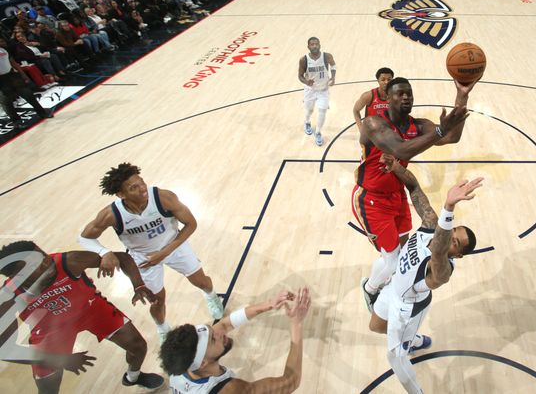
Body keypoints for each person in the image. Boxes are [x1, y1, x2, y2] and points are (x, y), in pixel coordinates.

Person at [356, 77, 475, 313]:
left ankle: (385, 281)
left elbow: (452, 137)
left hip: (398, 192)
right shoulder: (372, 123)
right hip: (372, 199)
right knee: (392, 260)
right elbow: (399, 148)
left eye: (409, 93)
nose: (406, 97)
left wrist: (462, 97)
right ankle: (370, 289)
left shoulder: (417, 126)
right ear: (387, 98)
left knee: (401, 250)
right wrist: (440, 130)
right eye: (400, 94)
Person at [368, 157, 481, 393]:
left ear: (458, 255)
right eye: (453, 233)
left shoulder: (441, 270)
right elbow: (415, 189)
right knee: (375, 326)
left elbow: (438, 250)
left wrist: (449, 208)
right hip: (394, 287)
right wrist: (397, 167)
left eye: (456, 242)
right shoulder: (431, 224)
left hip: (407, 309)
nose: (450, 237)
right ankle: (415, 340)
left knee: (395, 358)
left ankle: (417, 390)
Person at [78, 163, 224, 343]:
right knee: (156, 301)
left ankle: (211, 296)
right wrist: (104, 252)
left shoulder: (163, 198)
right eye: (134, 188)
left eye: (141, 182)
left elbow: (191, 224)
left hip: (174, 246)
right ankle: (163, 328)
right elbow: (84, 238)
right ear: (121, 195)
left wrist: (164, 253)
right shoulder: (111, 214)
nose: (142, 189)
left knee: (201, 282)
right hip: (143, 259)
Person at [0, 240, 163, 392]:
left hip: (90, 309)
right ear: (17, 276)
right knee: (48, 388)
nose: (46, 262)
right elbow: (5, 350)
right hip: (51, 330)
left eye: (42, 255)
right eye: (35, 264)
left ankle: (132, 377)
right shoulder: (7, 296)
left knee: (138, 345)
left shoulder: (70, 261)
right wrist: (61, 360)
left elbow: (122, 257)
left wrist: (139, 285)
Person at [160, 288, 311, 393]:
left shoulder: (179, 364)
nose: (219, 333)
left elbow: (226, 324)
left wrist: (269, 304)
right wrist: (296, 324)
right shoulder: (230, 390)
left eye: (212, 331)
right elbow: (291, 382)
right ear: (203, 362)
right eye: (213, 339)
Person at [0, 36, 52, 129]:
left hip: (11, 75)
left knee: (28, 94)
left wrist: (23, 74)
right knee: (6, 102)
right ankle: (17, 121)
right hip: (1, 80)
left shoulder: (4, 49)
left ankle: (42, 113)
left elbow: (13, 62)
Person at [297, 37, 336, 146]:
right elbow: (300, 76)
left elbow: (333, 66)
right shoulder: (303, 60)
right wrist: (306, 81)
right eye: (312, 44)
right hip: (310, 90)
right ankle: (307, 122)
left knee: (322, 110)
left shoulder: (327, 56)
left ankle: (318, 132)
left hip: (323, 90)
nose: (314, 46)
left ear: (320, 45)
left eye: (316, 44)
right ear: (308, 47)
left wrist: (333, 77)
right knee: (309, 110)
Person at [352, 67, 394, 132]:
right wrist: (361, 129)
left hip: (390, 134)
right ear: (378, 81)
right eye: (383, 80)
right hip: (372, 135)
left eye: (389, 79)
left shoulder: (396, 96)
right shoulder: (368, 96)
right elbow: (356, 110)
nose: (386, 82)